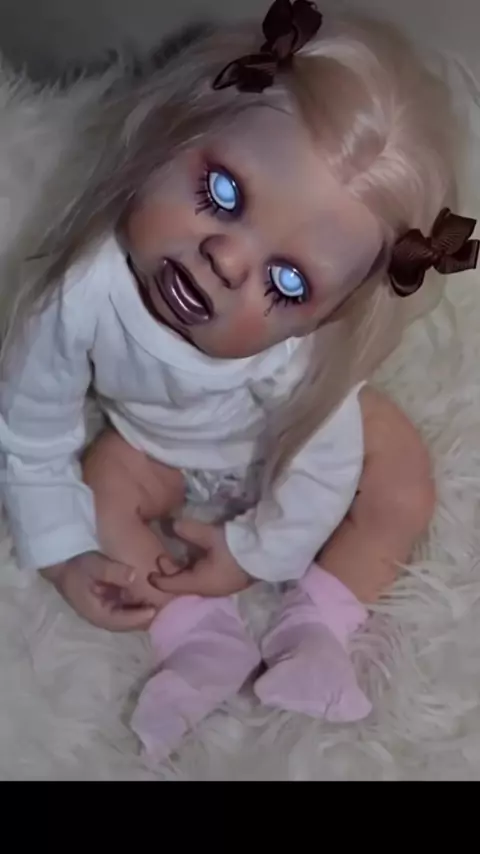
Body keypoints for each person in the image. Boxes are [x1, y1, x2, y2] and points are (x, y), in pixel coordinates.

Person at [0, 0, 477, 760]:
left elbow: (322, 471)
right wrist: (62, 554)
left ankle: (319, 623)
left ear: (327, 317)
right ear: (174, 134)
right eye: (221, 193)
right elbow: (30, 429)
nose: (224, 260)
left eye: (288, 282)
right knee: (101, 486)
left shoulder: (302, 361)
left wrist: (256, 554)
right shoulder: (81, 296)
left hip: (285, 439)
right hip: (155, 446)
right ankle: (197, 637)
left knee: (401, 479)